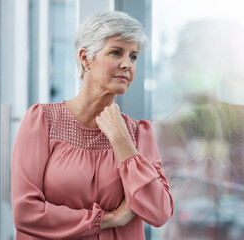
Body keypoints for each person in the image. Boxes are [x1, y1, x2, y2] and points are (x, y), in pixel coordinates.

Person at [11, 11, 174, 240]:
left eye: (133, 56)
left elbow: (160, 212)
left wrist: (122, 142)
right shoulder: (42, 121)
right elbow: (25, 213)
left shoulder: (138, 133)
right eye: (116, 52)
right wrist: (111, 218)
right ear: (85, 58)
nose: (127, 64)